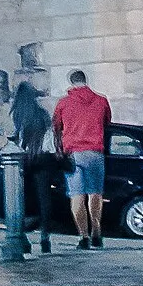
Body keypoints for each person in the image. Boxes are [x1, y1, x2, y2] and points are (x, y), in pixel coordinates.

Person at [53, 67, 113, 248]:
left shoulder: (64, 104)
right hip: (95, 152)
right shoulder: (101, 101)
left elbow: (56, 127)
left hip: (74, 154)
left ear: (71, 83)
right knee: (95, 194)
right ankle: (97, 233)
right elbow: (107, 122)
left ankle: (83, 237)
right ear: (86, 81)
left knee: (76, 196)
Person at [9, 75, 55, 250]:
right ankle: (45, 236)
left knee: (20, 196)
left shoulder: (18, 114)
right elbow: (49, 136)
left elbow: (16, 137)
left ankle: (21, 235)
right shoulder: (41, 114)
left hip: (24, 160)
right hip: (43, 158)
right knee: (44, 197)